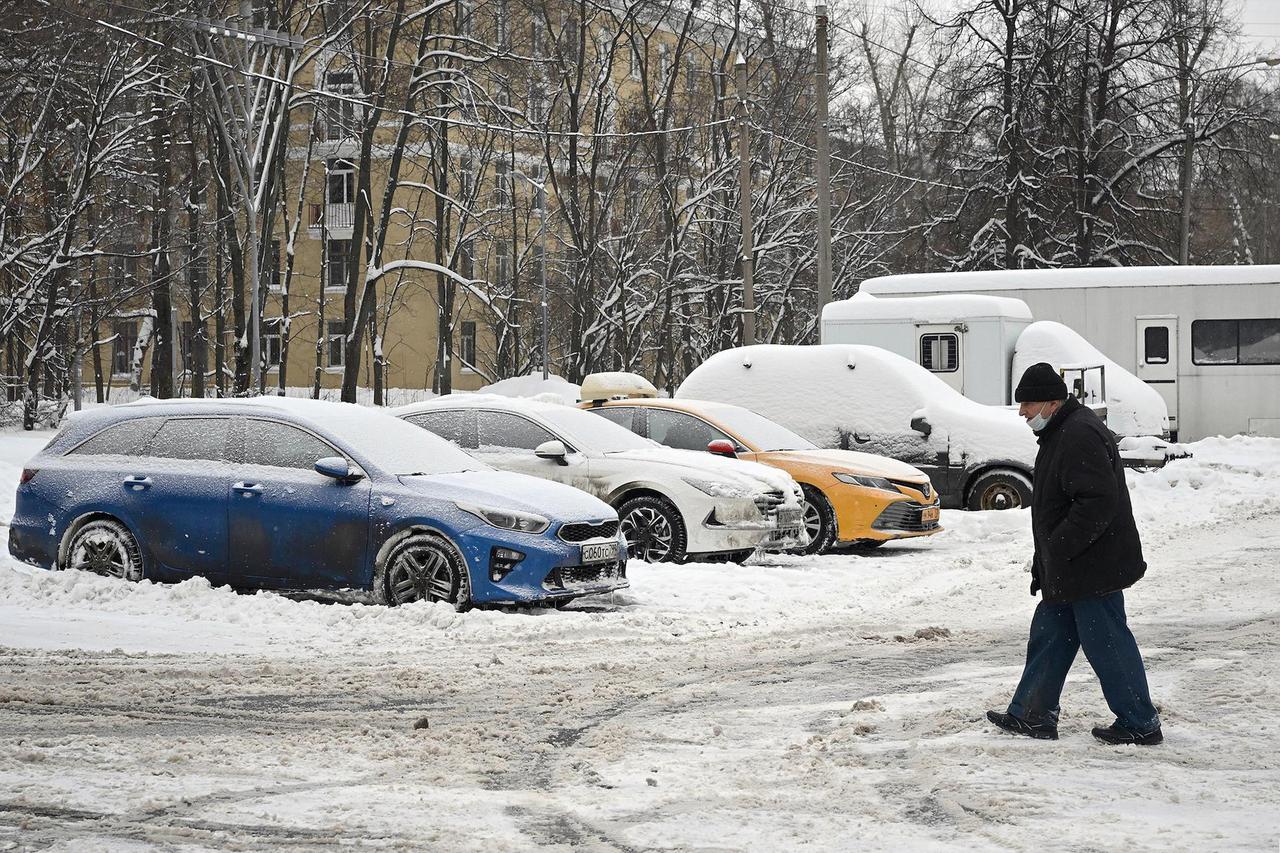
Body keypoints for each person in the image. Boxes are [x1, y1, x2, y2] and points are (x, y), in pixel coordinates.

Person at [986, 362, 1162, 746]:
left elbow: (1097, 502)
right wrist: (1048, 557)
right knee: (1050, 635)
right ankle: (1033, 714)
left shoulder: (1078, 433)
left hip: (1091, 566)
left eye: (1027, 404)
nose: (1022, 413)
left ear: (1052, 401)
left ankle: (1139, 720)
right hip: (1071, 565)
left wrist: (1060, 547)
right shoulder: (1060, 430)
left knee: (1107, 642)